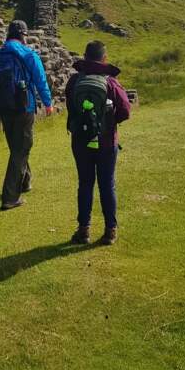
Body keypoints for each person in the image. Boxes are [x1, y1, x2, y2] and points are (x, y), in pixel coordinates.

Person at [66, 40, 131, 246]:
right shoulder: (110, 82)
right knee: (107, 184)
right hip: (106, 142)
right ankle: (110, 231)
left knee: (85, 184)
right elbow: (125, 110)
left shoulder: (75, 81)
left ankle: (83, 230)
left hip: (81, 141)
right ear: (104, 58)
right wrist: (108, 123)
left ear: (85, 57)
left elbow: (71, 107)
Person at [0, 20, 53, 210]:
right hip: (24, 107)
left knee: (17, 147)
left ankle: (25, 181)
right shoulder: (28, 54)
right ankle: (10, 197)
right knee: (21, 149)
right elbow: (40, 79)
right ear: (23, 35)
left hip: (3, 108)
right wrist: (48, 103)